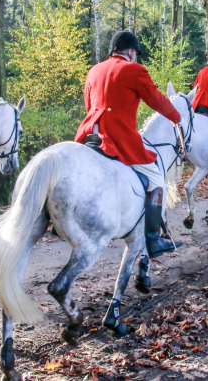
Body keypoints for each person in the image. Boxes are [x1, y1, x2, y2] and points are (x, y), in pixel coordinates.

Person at [74, 31, 183, 258]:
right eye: (136, 53)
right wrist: (176, 116)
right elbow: (155, 99)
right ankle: (153, 240)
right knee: (155, 180)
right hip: (117, 136)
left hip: (88, 133)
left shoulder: (94, 70)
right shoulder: (134, 70)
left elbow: (88, 104)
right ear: (131, 51)